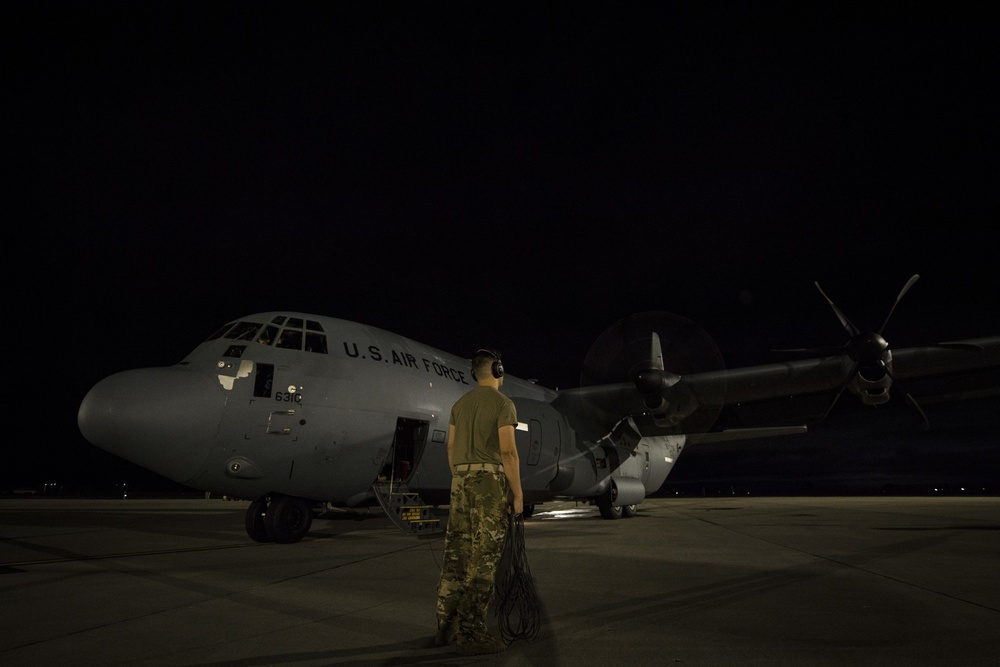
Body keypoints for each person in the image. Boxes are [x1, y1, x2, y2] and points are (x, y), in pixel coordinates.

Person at [434, 349, 523, 656]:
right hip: (488, 482)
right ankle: (471, 633)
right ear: (498, 369)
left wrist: (462, 478)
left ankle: (445, 626)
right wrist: (517, 493)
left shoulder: (460, 404)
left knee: (455, 556)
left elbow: (450, 449)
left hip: (459, 480)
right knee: (483, 559)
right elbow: (509, 453)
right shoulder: (503, 404)